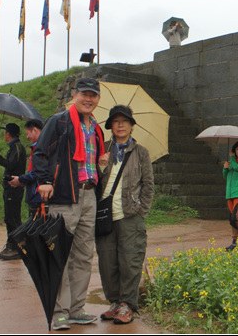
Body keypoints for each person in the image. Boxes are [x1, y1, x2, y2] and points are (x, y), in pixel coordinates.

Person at [33, 77, 106, 330]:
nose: (89, 99)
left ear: (98, 99)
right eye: (84, 94)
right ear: (74, 95)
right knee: (60, 254)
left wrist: (101, 164)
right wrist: (45, 180)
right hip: (65, 195)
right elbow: (40, 153)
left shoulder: (96, 128)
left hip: (89, 194)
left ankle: (76, 308)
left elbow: (91, 161)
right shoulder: (59, 121)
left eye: (93, 95)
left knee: (84, 255)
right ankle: (59, 311)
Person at [96, 105, 154, 325]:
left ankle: (127, 304)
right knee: (107, 261)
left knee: (130, 261)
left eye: (124, 121)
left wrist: (141, 211)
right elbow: (92, 181)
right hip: (104, 216)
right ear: (111, 125)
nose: (120, 125)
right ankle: (115, 302)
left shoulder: (141, 153)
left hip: (130, 215)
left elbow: (148, 185)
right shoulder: (103, 149)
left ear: (131, 125)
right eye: (116, 121)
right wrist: (101, 167)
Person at [0, 122, 27, 260]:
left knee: (13, 218)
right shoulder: (15, 147)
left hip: (14, 187)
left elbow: (11, 165)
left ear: (8, 134)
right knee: (10, 217)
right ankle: (12, 244)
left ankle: (17, 246)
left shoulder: (17, 147)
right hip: (10, 187)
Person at [8, 119, 45, 220]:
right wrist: (23, 181)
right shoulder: (37, 147)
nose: (27, 137)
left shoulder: (42, 148)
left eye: (27, 133)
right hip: (35, 196)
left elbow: (37, 172)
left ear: (35, 130)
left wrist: (20, 179)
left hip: (38, 197)